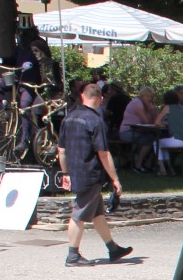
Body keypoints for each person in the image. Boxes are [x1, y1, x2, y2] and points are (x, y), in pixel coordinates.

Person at [56, 83, 130, 268]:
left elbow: (61, 150)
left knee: (97, 214)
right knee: (79, 214)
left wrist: (65, 173)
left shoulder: (69, 118)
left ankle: (113, 249)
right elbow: (103, 153)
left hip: (74, 171)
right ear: (101, 99)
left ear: (82, 96)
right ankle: (72, 255)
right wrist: (115, 179)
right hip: (90, 173)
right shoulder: (96, 121)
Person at [154, 89, 183, 175]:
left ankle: (162, 168)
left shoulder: (167, 107)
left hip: (178, 140)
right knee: (163, 145)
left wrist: (163, 124)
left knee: (156, 143)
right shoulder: (180, 107)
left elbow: (157, 122)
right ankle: (170, 169)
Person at [121, 86, 159, 173]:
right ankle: (138, 165)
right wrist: (152, 112)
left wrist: (154, 110)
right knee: (150, 141)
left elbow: (156, 121)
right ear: (142, 96)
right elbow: (147, 121)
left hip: (139, 131)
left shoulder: (148, 105)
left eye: (151, 97)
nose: (150, 99)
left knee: (157, 139)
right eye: (147, 96)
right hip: (127, 132)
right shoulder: (137, 104)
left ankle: (148, 164)